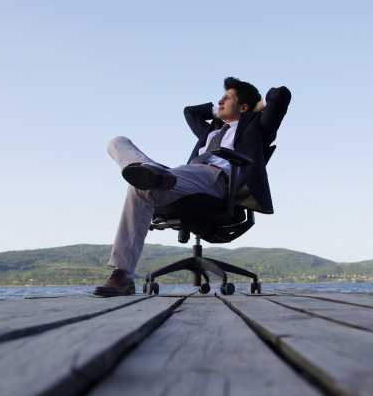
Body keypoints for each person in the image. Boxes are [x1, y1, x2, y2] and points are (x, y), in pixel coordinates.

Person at [93, 76, 292, 296]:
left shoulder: (256, 126)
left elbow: (281, 95)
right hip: (186, 177)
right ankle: (152, 177)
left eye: (228, 98)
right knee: (118, 144)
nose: (220, 100)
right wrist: (218, 112)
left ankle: (122, 273)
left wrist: (256, 107)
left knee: (142, 183)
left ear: (244, 106)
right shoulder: (211, 131)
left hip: (216, 180)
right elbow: (190, 112)